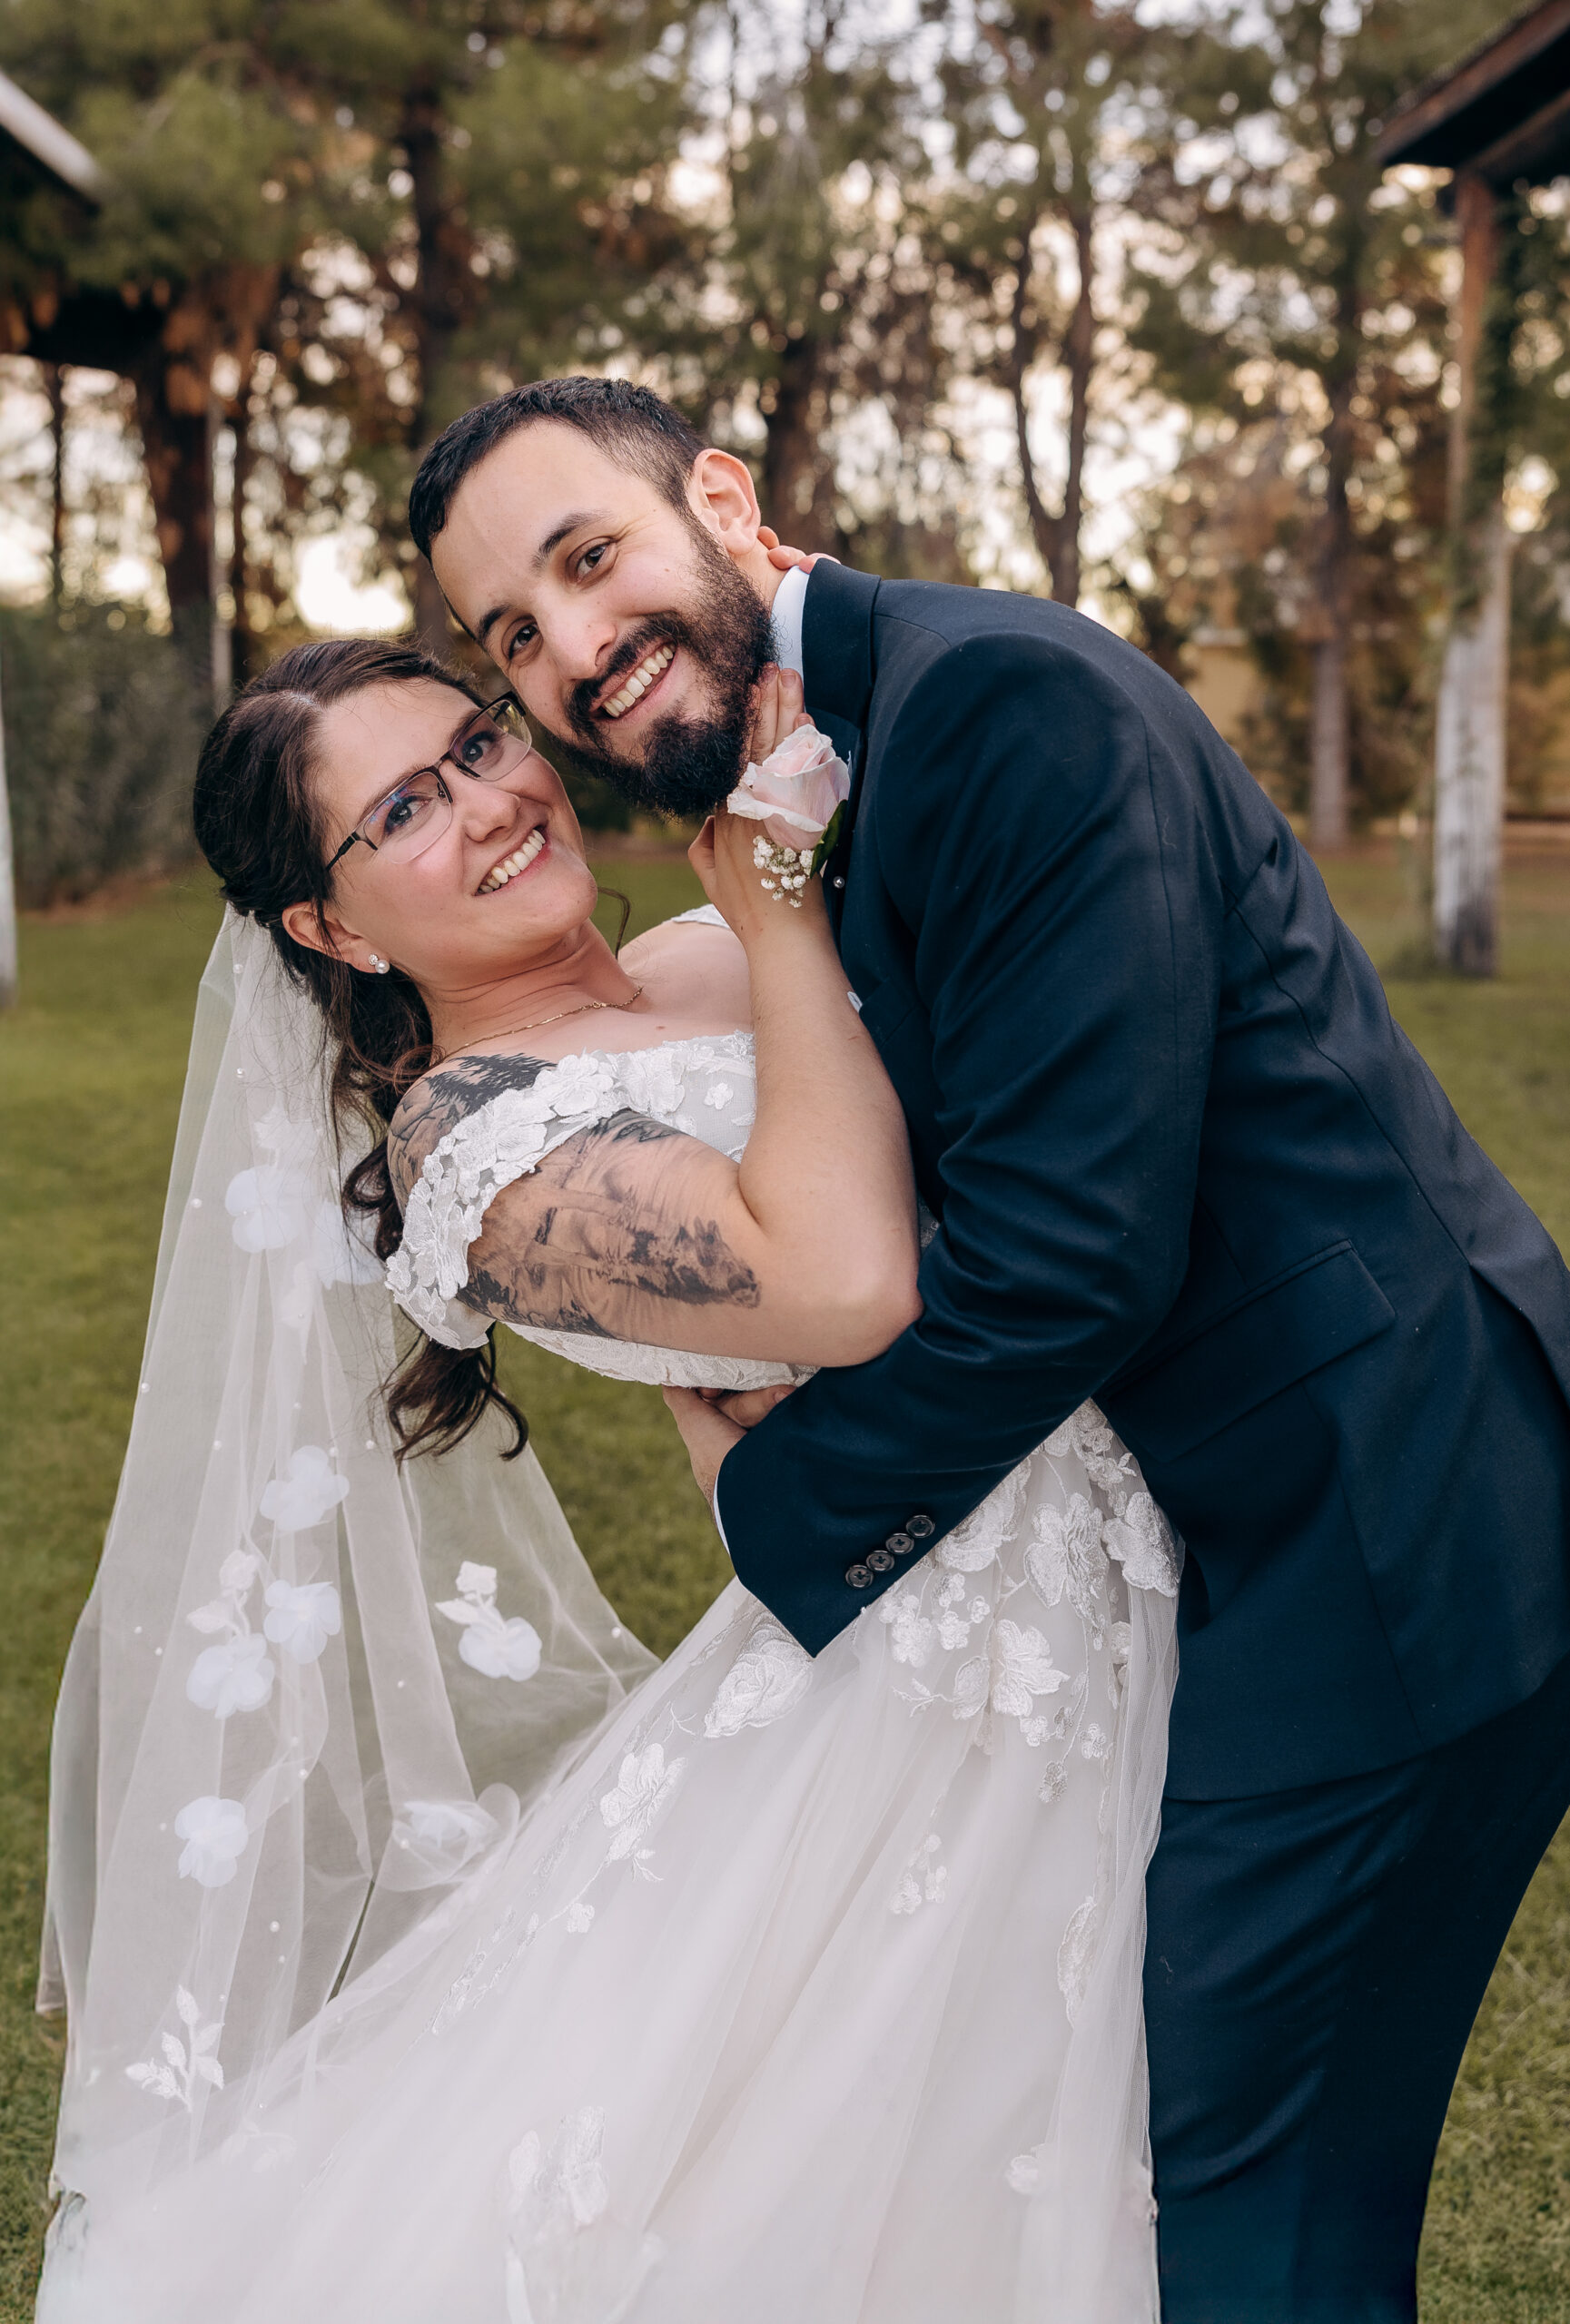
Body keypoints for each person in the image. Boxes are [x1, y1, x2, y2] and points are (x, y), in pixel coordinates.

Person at [407, 375, 1570, 2323]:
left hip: (1386, 1522)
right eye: (513, 634)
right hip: (1263, 1519)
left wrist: (778, 1500)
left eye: (588, 561)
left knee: (1245, 2206)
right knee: (1205, 2170)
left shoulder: (995, 704)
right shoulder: (790, 782)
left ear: (724, 498)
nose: (573, 654)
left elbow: (1065, 1261)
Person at [35, 638, 1179, 2322]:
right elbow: (848, 1277)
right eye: (404, 812)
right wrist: (790, 918)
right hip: (952, 1646)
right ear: (332, 931)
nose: (493, 801)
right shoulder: (479, 1157)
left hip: (1091, 1531)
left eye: (480, 742)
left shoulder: (707, 951)